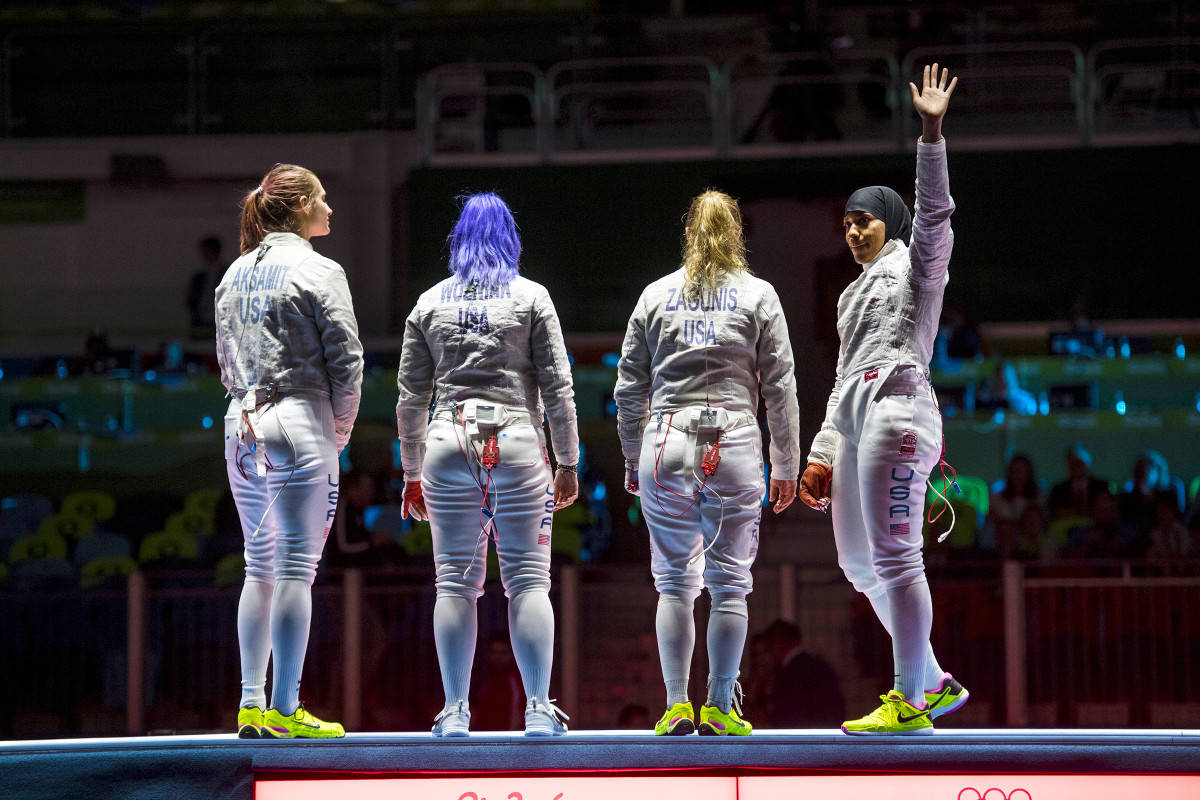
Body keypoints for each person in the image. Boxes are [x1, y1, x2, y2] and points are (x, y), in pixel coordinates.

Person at [798, 64, 968, 735]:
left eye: (862, 219)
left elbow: (935, 215)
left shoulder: (917, 265)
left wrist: (930, 134)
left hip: (901, 407)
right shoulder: (848, 295)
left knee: (897, 556)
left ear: (888, 221)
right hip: (857, 416)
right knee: (856, 562)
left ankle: (908, 699)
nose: (851, 231)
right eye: (844, 223)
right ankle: (931, 681)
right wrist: (820, 453)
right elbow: (844, 375)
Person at [614, 189, 800, 737]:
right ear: (736, 236)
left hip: (666, 440)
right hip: (735, 440)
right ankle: (719, 706)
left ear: (689, 233)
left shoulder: (655, 295)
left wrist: (632, 455)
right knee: (729, 585)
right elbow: (781, 386)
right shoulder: (759, 295)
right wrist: (784, 462)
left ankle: (675, 704)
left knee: (674, 584)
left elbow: (629, 387)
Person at [396, 192, 579, 737]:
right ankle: (539, 709)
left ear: (458, 241)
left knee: (454, 584)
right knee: (528, 582)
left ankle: (455, 712)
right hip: (519, 440)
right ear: (510, 240)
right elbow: (559, 387)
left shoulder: (428, 303)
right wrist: (567, 460)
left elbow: (410, 398)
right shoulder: (532, 297)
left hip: (447, 442)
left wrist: (411, 470)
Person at [217, 163, 363, 739]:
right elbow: (347, 364)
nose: (330, 209)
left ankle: (250, 704)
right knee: (297, 572)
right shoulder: (319, 269)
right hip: (301, 421)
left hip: (240, 421)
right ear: (299, 205)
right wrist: (340, 431)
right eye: (322, 199)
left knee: (261, 567)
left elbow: (227, 361)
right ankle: (282, 710)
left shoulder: (232, 273)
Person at [759, 619, 845, 728]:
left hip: (801, 739)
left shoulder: (789, 675)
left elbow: (786, 717)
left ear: (779, 643)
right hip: (827, 735)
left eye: (769, 647)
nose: (768, 654)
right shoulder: (820, 666)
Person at [1047, 443, 1109, 520]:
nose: (1076, 467)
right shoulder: (1058, 490)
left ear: (1088, 463)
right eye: (1072, 463)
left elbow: (1106, 512)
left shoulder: (1101, 487)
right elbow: (1055, 513)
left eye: (1079, 463)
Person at [187, 235, 224, 334]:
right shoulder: (199, 277)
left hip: (219, 322)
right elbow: (191, 300)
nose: (204, 254)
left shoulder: (227, 273)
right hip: (201, 322)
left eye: (207, 250)